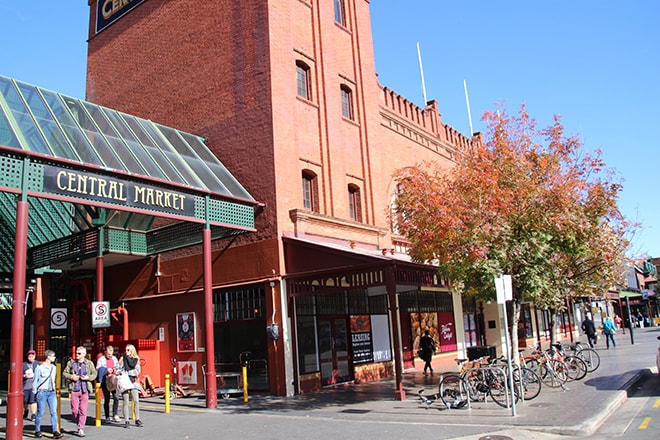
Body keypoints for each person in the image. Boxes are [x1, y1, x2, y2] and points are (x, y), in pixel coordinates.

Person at [63, 346, 97, 437]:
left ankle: (81, 428)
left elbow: (94, 373)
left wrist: (88, 378)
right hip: (74, 389)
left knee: (83, 410)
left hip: (85, 389)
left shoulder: (89, 363)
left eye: (79, 353)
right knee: (74, 410)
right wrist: (71, 377)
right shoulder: (71, 363)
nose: (77, 355)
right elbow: (64, 373)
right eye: (76, 353)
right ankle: (78, 421)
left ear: (84, 354)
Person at [32, 349, 63, 439]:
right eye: (53, 356)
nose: (54, 358)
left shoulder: (53, 368)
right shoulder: (40, 368)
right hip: (42, 392)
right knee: (40, 412)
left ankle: (55, 430)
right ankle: (37, 430)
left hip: (51, 392)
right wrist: (35, 392)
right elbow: (35, 381)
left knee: (54, 412)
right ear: (48, 357)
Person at [118, 343, 144, 428]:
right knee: (125, 401)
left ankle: (137, 419)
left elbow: (138, 371)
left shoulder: (136, 359)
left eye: (128, 350)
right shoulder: (122, 359)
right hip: (125, 382)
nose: (126, 352)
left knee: (136, 400)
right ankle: (126, 420)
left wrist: (128, 372)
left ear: (132, 350)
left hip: (134, 382)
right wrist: (121, 372)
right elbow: (118, 369)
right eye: (126, 350)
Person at [96, 345, 121, 423]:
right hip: (105, 381)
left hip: (113, 380)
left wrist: (115, 370)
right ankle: (107, 416)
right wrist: (106, 370)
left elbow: (118, 368)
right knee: (107, 399)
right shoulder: (101, 359)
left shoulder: (114, 359)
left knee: (116, 397)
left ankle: (115, 414)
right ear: (105, 352)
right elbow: (98, 369)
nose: (110, 356)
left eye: (111, 354)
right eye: (108, 354)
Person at [23, 349, 39, 421]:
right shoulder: (24, 364)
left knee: (33, 400)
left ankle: (33, 414)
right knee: (25, 401)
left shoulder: (37, 364)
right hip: (26, 385)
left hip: (34, 385)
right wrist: (24, 376)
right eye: (29, 357)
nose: (31, 358)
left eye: (32, 356)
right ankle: (26, 410)